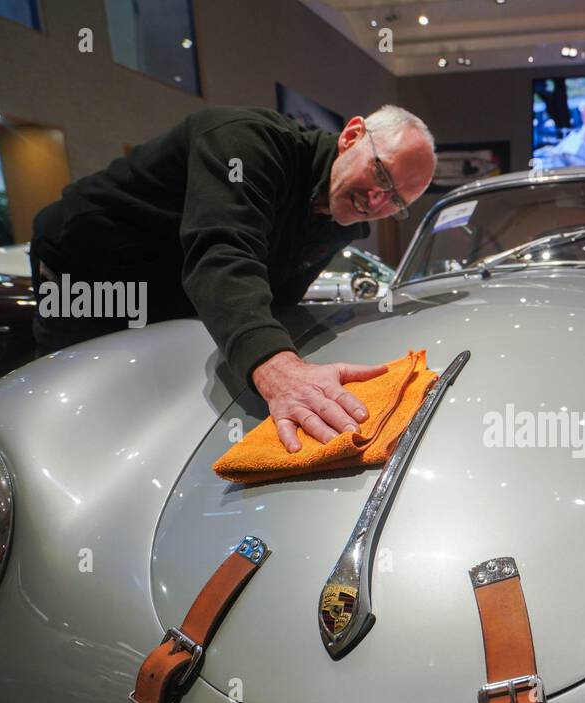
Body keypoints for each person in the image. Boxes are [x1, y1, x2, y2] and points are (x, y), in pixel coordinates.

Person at [29, 104, 436, 452]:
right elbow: (223, 253)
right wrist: (277, 369)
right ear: (351, 136)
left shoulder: (342, 216)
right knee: (77, 405)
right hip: (89, 269)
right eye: (381, 175)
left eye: (398, 201)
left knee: (169, 403)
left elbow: (276, 293)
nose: (378, 200)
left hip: (180, 288)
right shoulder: (245, 141)